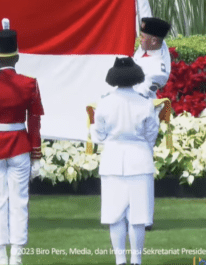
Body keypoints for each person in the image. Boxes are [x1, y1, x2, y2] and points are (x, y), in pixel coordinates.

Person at [0, 25, 44, 265]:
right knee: (19, 201)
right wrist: (36, 155)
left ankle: (0, 257)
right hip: (20, 148)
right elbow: (34, 123)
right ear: (17, 56)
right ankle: (17, 257)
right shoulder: (29, 84)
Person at [91, 57, 159, 265]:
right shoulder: (146, 103)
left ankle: (120, 260)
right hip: (140, 161)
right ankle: (136, 260)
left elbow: (99, 136)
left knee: (115, 215)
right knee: (138, 216)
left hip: (113, 161)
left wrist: (93, 132)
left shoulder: (104, 103)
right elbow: (151, 135)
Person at [133, 16, 171, 232]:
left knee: (143, 166)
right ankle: (131, 212)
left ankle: (145, 218)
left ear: (155, 41)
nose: (140, 38)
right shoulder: (152, 45)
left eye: (144, 36)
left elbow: (140, 89)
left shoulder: (158, 66)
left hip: (144, 114)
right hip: (131, 110)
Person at [133, 17, 171, 99]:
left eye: (142, 37)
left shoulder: (157, 73)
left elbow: (139, 96)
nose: (139, 39)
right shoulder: (149, 47)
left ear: (153, 41)